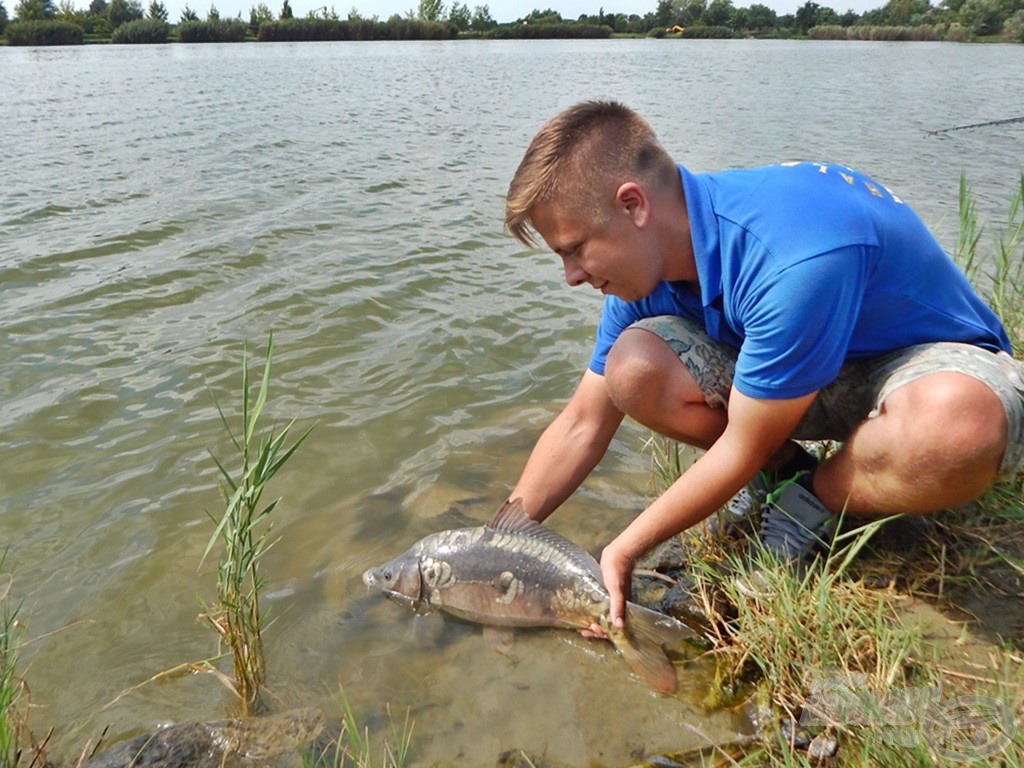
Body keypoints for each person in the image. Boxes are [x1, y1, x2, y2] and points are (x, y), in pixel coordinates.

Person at [501, 100, 1024, 634]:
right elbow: (583, 423)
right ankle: (788, 475)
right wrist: (501, 537)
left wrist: (624, 549)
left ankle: (809, 502)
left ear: (633, 205)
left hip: (919, 363)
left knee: (956, 426)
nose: (570, 276)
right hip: (801, 378)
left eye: (575, 250)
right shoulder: (642, 270)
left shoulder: (790, 255)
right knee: (631, 369)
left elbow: (741, 444)